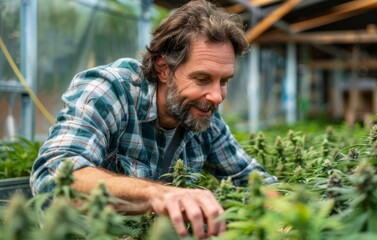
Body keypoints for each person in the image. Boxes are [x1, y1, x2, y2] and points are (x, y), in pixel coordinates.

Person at [30, 0, 276, 238]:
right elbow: (53, 178)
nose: (216, 96)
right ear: (164, 68)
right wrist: (157, 195)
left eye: (224, 81)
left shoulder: (202, 112)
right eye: (202, 79)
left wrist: (292, 216)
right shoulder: (110, 91)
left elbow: (253, 181)